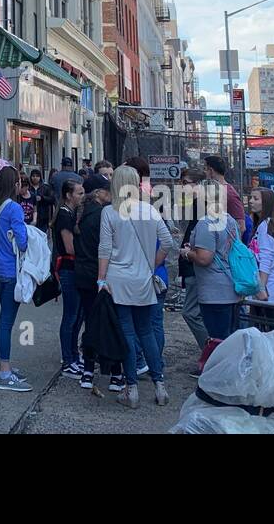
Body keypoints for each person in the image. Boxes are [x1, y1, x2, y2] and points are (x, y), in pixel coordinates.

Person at [98, 165, 173, 408]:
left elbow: (105, 249)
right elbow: (168, 241)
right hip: (143, 279)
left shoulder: (110, 212)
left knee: (127, 333)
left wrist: (101, 279)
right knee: (146, 331)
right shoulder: (150, 211)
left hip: (118, 280)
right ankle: (159, 386)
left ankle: (131, 389)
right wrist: (152, 263)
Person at [74, 172, 122, 392]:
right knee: (110, 323)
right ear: (99, 193)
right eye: (107, 190)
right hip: (103, 275)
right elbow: (108, 247)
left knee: (90, 323)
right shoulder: (105, 214)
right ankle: (115, 372)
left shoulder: (81, 213)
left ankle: (87, 370)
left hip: (83, 274)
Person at [0, 165, 32, 392]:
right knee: (6, 321)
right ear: (14, 184)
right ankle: (4, 371)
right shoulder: (14, 208)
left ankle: (6, 367)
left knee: (6, 318)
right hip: (11, 269)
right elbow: (22, 241)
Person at [182, 179, 242, 345]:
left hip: (214, 292)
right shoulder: (229, 220)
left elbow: (204, 258)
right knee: (229, 338)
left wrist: (188, 253)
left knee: (217, 340)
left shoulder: (206, 223)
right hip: (231, 287)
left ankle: (219, 369)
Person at [54, 177, 85, 379]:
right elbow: (69, 247)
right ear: (68, 195)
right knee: (71, 316)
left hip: (75, 269)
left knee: (77, 315)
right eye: (79, 193)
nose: (82, 197)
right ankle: (68, 359)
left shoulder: (71, 214)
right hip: (68, 268)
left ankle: (74, 354)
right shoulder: (65, 216)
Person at [177, 168, 210, 350]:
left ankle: (211, 353)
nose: (182, 187)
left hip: (196, 266)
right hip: (193, 265)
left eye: (185, 183)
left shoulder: (202, 206)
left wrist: (189, 252)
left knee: (190, 312)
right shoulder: (197, 205)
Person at [250, 186, 274, 306]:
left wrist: (261, 288)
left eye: (256, 198)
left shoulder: (266, 226)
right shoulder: (268, 224)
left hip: (269, 286)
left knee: (266, 321)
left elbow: (266, 259)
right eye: (251, 197)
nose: (251, 201)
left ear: (266, 203)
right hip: (272, 283)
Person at [204, 153, 246, 231]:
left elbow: (241, 226)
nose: (204, 172)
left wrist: (225, 242)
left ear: (211, 170)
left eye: (205, 169)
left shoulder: (228, 193)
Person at [32, 168, 53, 232]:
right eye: (33, 176)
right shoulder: (29, 187)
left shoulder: (45, 187)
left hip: (43, 217)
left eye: (37, 176)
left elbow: (51, 199)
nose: (35, 178)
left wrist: (42, 198)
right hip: (31, 217)